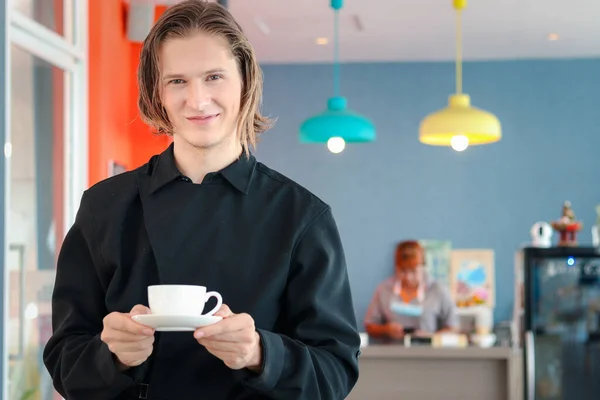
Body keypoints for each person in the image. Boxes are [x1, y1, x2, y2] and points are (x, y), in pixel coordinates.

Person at [42, 1, 360, 399]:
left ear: (244, 79)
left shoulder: (300, 216)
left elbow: (335, 374)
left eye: (214, 77)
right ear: (156, 91)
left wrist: (262, 354)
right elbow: (64, 363)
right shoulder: (104, 207)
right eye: (177, 81)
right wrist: (113, 357)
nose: (197, 100)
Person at [364, 240, 458, 340]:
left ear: (423, 267)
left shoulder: (439, 290)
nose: (408, 277)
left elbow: (453, 328)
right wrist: (386, 330)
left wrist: (431, 338)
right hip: (393, 353)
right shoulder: (383, 289)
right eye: (403, 270)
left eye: (413, 271)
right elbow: (370, 326)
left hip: (429, 353)